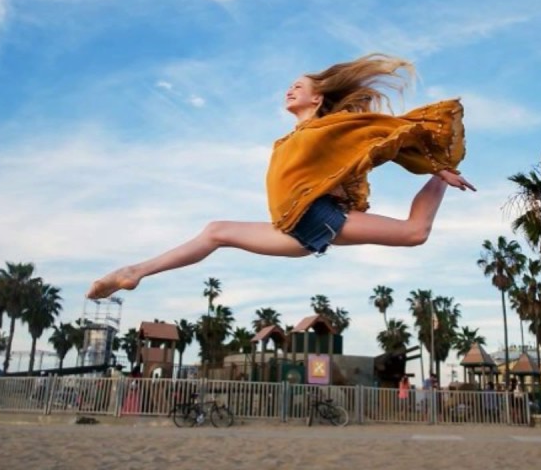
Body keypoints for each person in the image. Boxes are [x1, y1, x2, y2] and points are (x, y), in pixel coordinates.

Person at [86, 54, 475, 301]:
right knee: (215, 230)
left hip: (321, 217)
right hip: (292, 228)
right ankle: (134, 271)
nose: (289, 90)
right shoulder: (292, 138)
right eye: (289, 86)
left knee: (415, 233)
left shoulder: (333, 127)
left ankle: (442, 181)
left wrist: (436, 168)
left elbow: (386, 137)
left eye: (298, 87)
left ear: (318, 98)